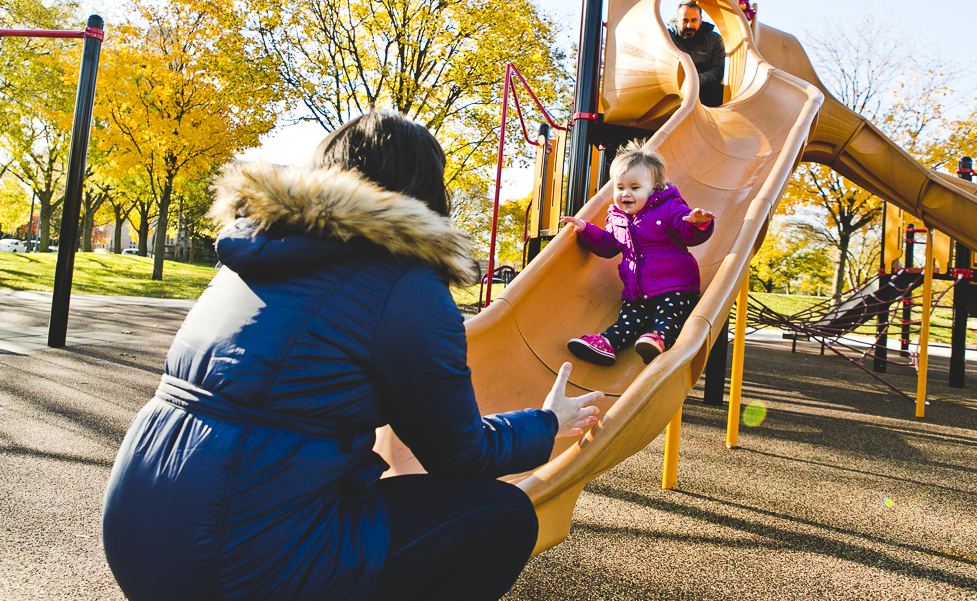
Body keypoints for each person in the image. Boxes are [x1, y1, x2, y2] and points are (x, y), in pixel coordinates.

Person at [101, 110, 604, 601]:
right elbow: (461, 454)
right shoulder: (405, 282)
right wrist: (545, 423)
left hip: (137, 535)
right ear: (425, 190)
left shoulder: (254, 254)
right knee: (504, 515)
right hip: (234, 566)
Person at [560, 145, 715, 366]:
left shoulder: (670, 207)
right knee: (627, 321)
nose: (625, 193)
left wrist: (698, 223)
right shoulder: (617, 219)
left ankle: (660, 339)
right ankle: (607, 343)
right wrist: (585, 229)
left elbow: (688, 233)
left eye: (634, 187)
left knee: (668, 315)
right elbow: (608, 245)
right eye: (620, 187)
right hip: (638, 291)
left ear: (654, 189)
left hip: (676, 285)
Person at [667, 0, 726, 107]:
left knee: (717, 89)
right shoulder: (668, 37)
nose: (689, 25)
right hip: (673, 87)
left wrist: (695, 80)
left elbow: (717, 70)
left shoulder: (714, 40)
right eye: (685, 21)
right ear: (676, 21)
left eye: (693, 20)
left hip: (702, 87)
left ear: (700, 20)